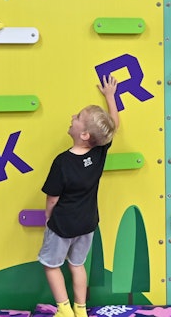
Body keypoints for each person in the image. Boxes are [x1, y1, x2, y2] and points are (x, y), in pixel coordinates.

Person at [39, 75, 120, 317]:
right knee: (77, 265)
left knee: (51, 265)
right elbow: (114, 126)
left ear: (84, 134)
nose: (73, 117)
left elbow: (52, 198)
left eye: (77, 118)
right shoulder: (98, 152)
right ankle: (81, 309)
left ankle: (64, 309)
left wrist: (49, 217)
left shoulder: (62, 162)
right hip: (87, 223)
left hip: (62, 224)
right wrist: (110, 97)